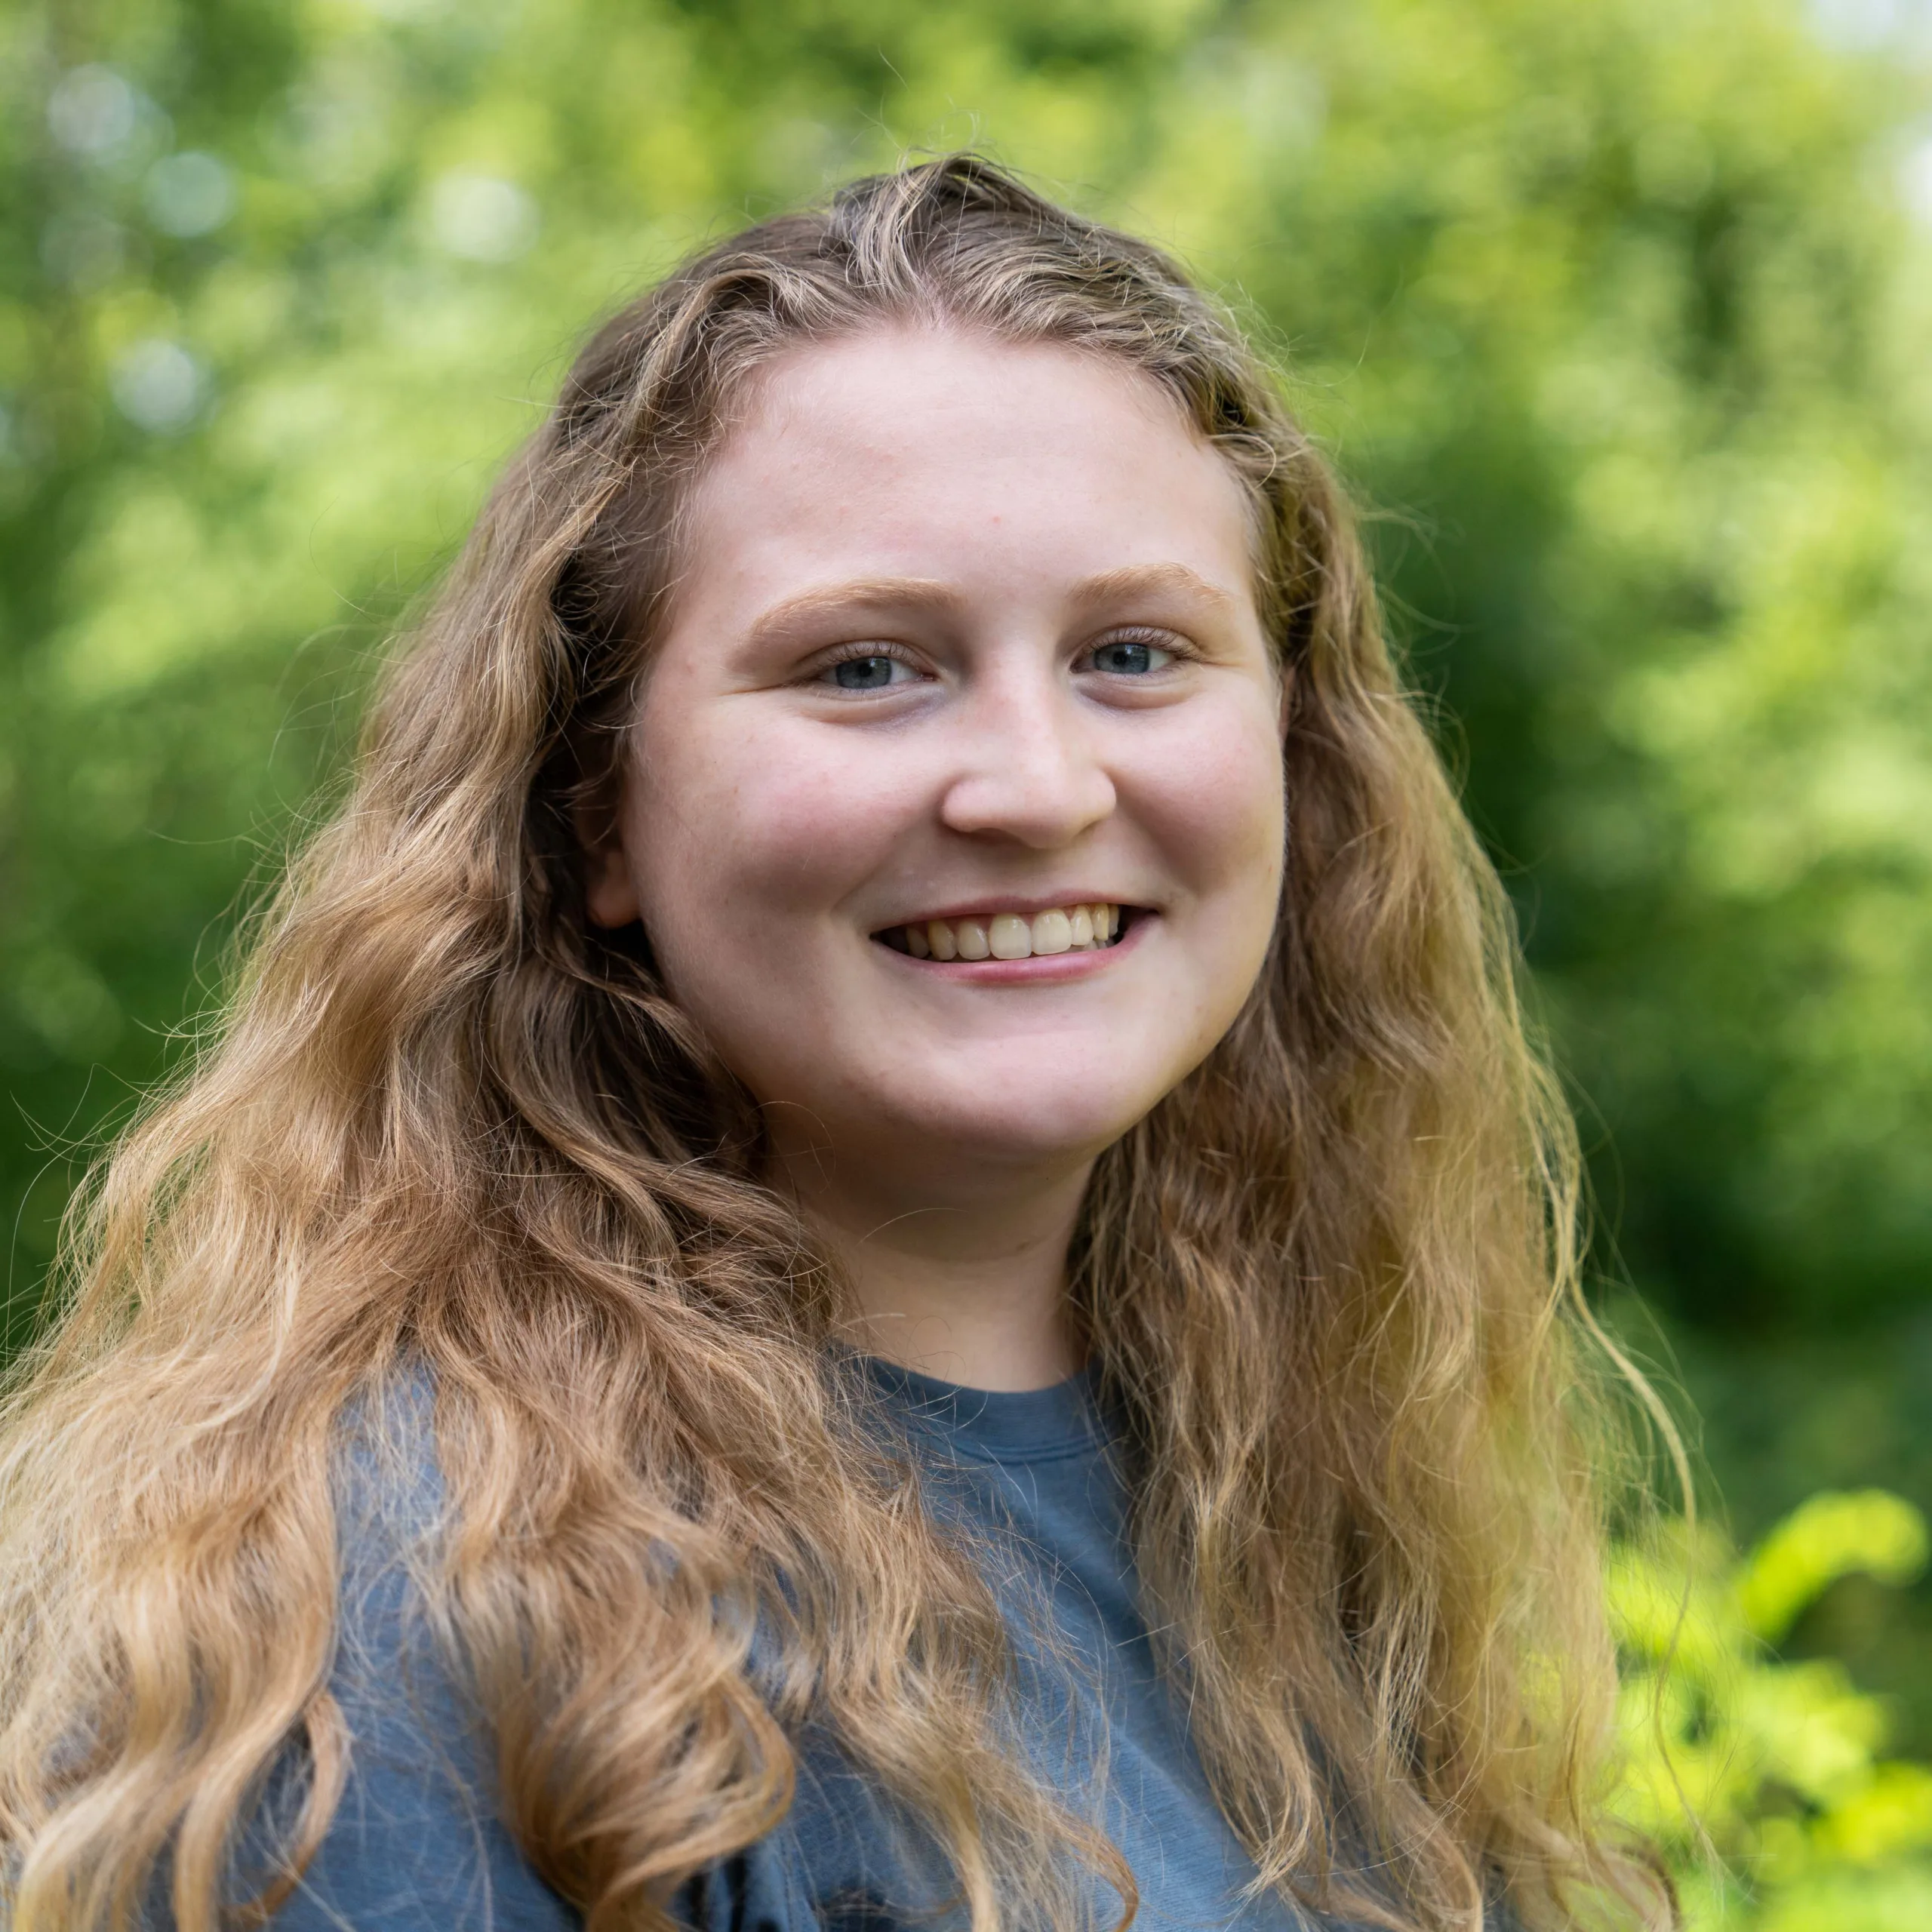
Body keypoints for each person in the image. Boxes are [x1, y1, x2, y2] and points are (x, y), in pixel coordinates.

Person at [0, 157, 1671, 1932]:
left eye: (1131, 650)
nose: (1035, 786)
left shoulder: (1296, 1521)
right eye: (865, 666)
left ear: (1291, 754)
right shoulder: (398, 1620)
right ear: (593, 810)